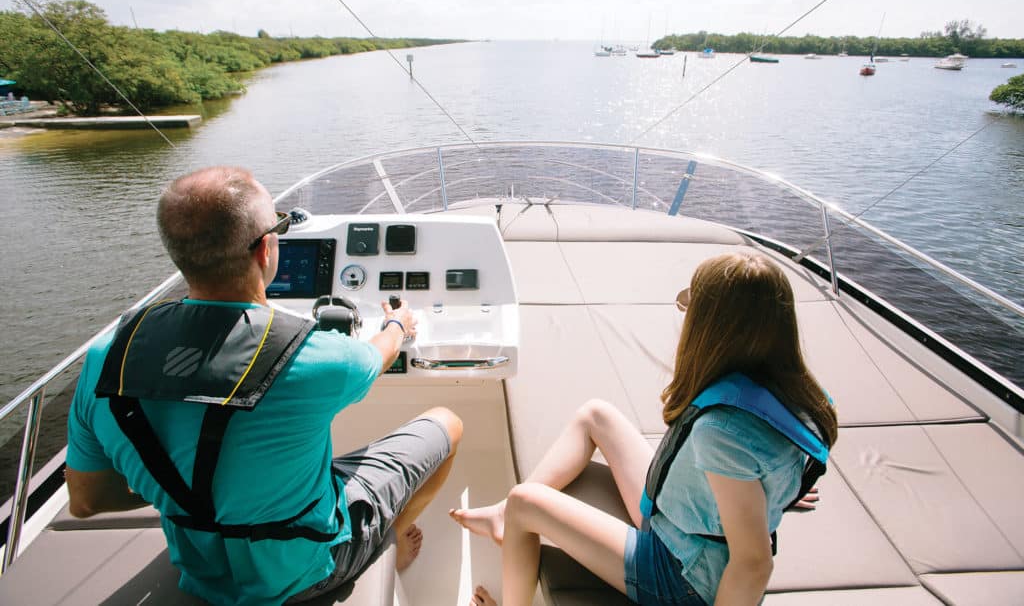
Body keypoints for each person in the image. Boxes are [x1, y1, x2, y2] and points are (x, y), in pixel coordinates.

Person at [65, 166, 463, 605]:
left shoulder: (107, 358)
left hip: (200, 565)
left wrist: (185, 491)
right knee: (447, 424)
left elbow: (85, 501)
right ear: (266, 249)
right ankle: (391, 542)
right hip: (306, 571)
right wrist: (395, 323)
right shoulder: (318, 358)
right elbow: (377, 356)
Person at [451, 252, 838, 606]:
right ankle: (501, 514)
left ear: (710, 330)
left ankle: (510, 523)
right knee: (595, 415)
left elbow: (754, 564)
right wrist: (768, 493)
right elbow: (769, 458)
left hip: (681, 575)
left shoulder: (722, 431)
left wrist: (758, 497)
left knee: (525, 501)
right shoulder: (798, 392)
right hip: (686, 519)